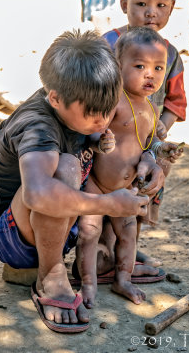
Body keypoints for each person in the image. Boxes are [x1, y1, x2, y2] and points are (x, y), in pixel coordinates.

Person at [0, 29, 165, 333]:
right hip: (11, 237)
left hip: (61, 226)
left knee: (86, 161)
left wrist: (149, 160)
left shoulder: (80, 99)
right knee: (66, 167)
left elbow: (119, 138)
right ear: (54, 98)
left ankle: (105, 261)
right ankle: (50, 275)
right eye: (93, 116)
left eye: (108, 111)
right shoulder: (37, 124)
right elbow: (37, 194)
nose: (103, 121)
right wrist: (108, 204)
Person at [75, 27, 183, 307]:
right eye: (140, 66)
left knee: (129, 235)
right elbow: (92, 129)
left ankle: (123, 279)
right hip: (98, 186)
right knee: (89, 233)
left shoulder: (150, 109)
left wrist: (157, 153)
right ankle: (88, 284)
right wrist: (101, 138)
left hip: (126, 188)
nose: (151, 75)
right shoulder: (113, 100)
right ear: (117, 66)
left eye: (158, 68)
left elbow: (145, 145)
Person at [102, 0, 187, 267]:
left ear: (171, 8)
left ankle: (130, 246)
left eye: (160, 5)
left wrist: (162, 127)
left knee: (144, 190)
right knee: (105, 191)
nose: (151, 12)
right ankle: (102, 249)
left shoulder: (171, 55)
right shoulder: (108, 44)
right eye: (141, 3)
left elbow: (176, 101)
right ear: (125, 4)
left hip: (149, 145)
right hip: (110, 142)